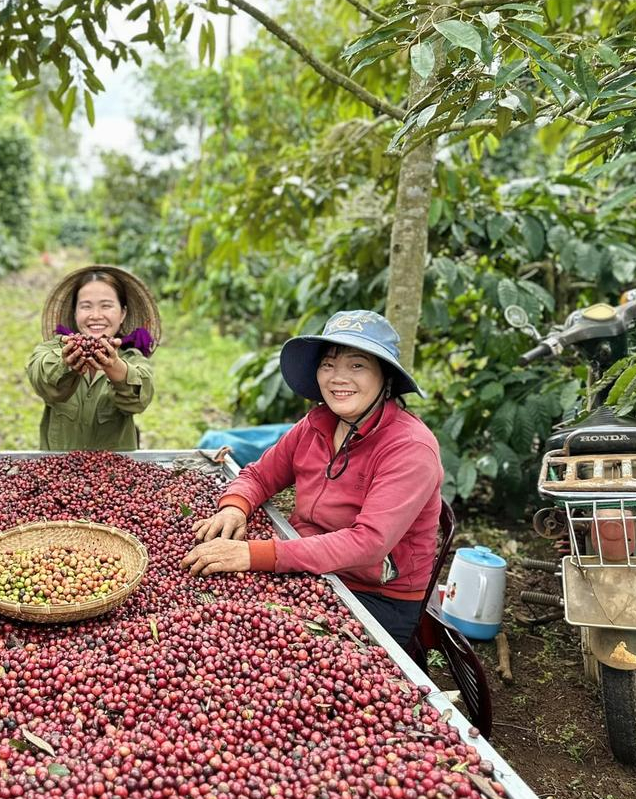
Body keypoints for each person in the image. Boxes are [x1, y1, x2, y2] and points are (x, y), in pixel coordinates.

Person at [182, 310, 443, 646]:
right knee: (213, 622)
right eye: (329, 364)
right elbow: (261, 474)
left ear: (386, 378)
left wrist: (253, 554)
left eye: (357, 365)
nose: (338, 377)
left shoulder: (410, 448)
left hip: (372, 595)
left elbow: (367, 544)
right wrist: (234, 507)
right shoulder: (317, 422)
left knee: (256, 644)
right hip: (305, 566)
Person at [26, 265, 160, 451]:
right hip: (59, 472)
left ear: (123, 313)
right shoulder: (54, 349)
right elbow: (41, 377)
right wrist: (66, 363)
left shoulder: (132, 358)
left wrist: (115, 367)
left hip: (114, 474)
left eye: (106, 306)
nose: (96, 316)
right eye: (86, 306)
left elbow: (139, 399)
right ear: (75, 313)